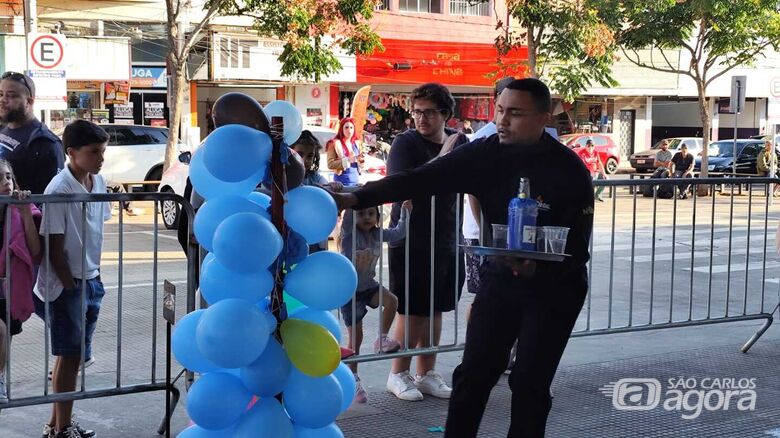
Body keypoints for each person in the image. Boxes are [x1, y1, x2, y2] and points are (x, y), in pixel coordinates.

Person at [329, 78, 594, 436]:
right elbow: (417, 179)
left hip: (555, 289)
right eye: (501, 110)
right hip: (501, 277)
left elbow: (578, 249)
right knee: (472, 376)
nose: (503, 120)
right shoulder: (485, 153)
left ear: (544, 117)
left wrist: (538, 268)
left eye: (515, 113)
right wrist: (356, 197)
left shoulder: (569, 170)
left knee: (529, 381)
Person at [382, 82, 466, 402]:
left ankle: (426, 372)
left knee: (438, 307)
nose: (421, 118)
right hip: (411, 237)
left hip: (447, 235)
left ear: (445, 114)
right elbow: (408, 183)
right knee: (412, 307)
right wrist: (445, 156)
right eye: (416, 112)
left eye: (429, 112)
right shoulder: (406, 143)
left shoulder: (461, 141)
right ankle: (397, 373)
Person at [34, 120, 111, 438]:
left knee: (72, 356)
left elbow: (97, 226)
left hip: (90, 278)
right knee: (70, 354)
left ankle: (56, 425)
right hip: (67, 285)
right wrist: (69, 283)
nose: (100, 158)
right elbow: (53, 244)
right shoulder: (60, 188)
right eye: (94, 152)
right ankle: (62, 427)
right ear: (72, 153)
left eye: (103, 152)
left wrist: (91, 277)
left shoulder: (99, 181)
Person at [338, 201, 411, 403]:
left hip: (368, 287)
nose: (367, 217)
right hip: (350, 292)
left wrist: (405, 212)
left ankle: (382, 338)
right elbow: (349, 215)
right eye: (361, 214)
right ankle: (353, 379)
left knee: (392, 301)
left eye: (372, 213)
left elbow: (399, 233)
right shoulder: (350, 235)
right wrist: (355, 199)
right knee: (356, 340)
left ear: (378, 217)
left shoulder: (377, 235)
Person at [0, 160, 41, 404]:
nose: (6, 183)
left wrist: (25, 213)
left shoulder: (19, 209)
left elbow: (35, 253)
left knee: (3, 340)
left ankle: (1, 381)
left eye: (8, 177)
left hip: (8, 293)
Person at [0, 72, 64, 195]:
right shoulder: (3, 128)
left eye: (11, 96)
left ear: (28, 102)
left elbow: (51, 197)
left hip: (22, 213)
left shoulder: (45, 143)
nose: (3, 100)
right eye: (1, 94)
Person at [291, 130, 344, 252]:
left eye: (310, 156)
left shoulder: (314, 177)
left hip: (313, 234)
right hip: (291, 234)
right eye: (299, 154)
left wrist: (332, 185)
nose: (305, 160)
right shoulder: (285, 177)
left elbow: (325, 185)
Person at [326, 118, 364, 187]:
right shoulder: (334, 143)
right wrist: (348, 160)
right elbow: (330, 164)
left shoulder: (357, 143)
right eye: (346, 127)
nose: (349, 130)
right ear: (341, 129)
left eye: (351, 127)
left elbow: (362, 161)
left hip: (356, 182)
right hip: (340, 184)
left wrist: (361, 160)